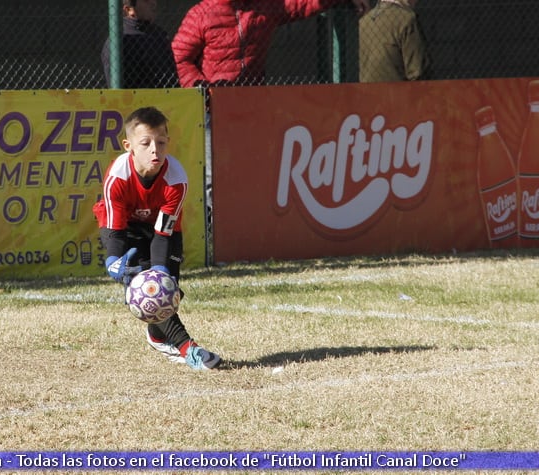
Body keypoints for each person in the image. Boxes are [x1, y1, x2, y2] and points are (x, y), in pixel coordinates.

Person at [93, 106, 221, 370]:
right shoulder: (118, 176)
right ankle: (188, 349)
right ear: (129, 146)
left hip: (162, 231)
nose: (155, 149)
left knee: (169, 291)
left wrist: (161, 269)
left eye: (161, 142)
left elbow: (163, 234)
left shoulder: (176, 179)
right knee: (152, 292)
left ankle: (157, 334)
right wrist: (113, 261)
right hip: (124, 229)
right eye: (146, 143)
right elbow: (115, 231)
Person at [171, 0, 371, 88]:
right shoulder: (201, 14)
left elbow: (302, 4)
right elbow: (179, 58)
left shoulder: (264, 6)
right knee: (214, 164)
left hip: (254, 100)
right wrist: (203, 90)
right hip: (213, 107)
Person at [101, 0, 179, 89]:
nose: (153, 3)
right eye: (146, 0)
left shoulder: (160, 35)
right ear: (129, 10)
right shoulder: (120, 42)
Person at [359, 0, 430, 82]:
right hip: (397, 91)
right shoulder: (406, 19)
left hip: (366, 91)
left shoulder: (364, 21)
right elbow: (416, 71)